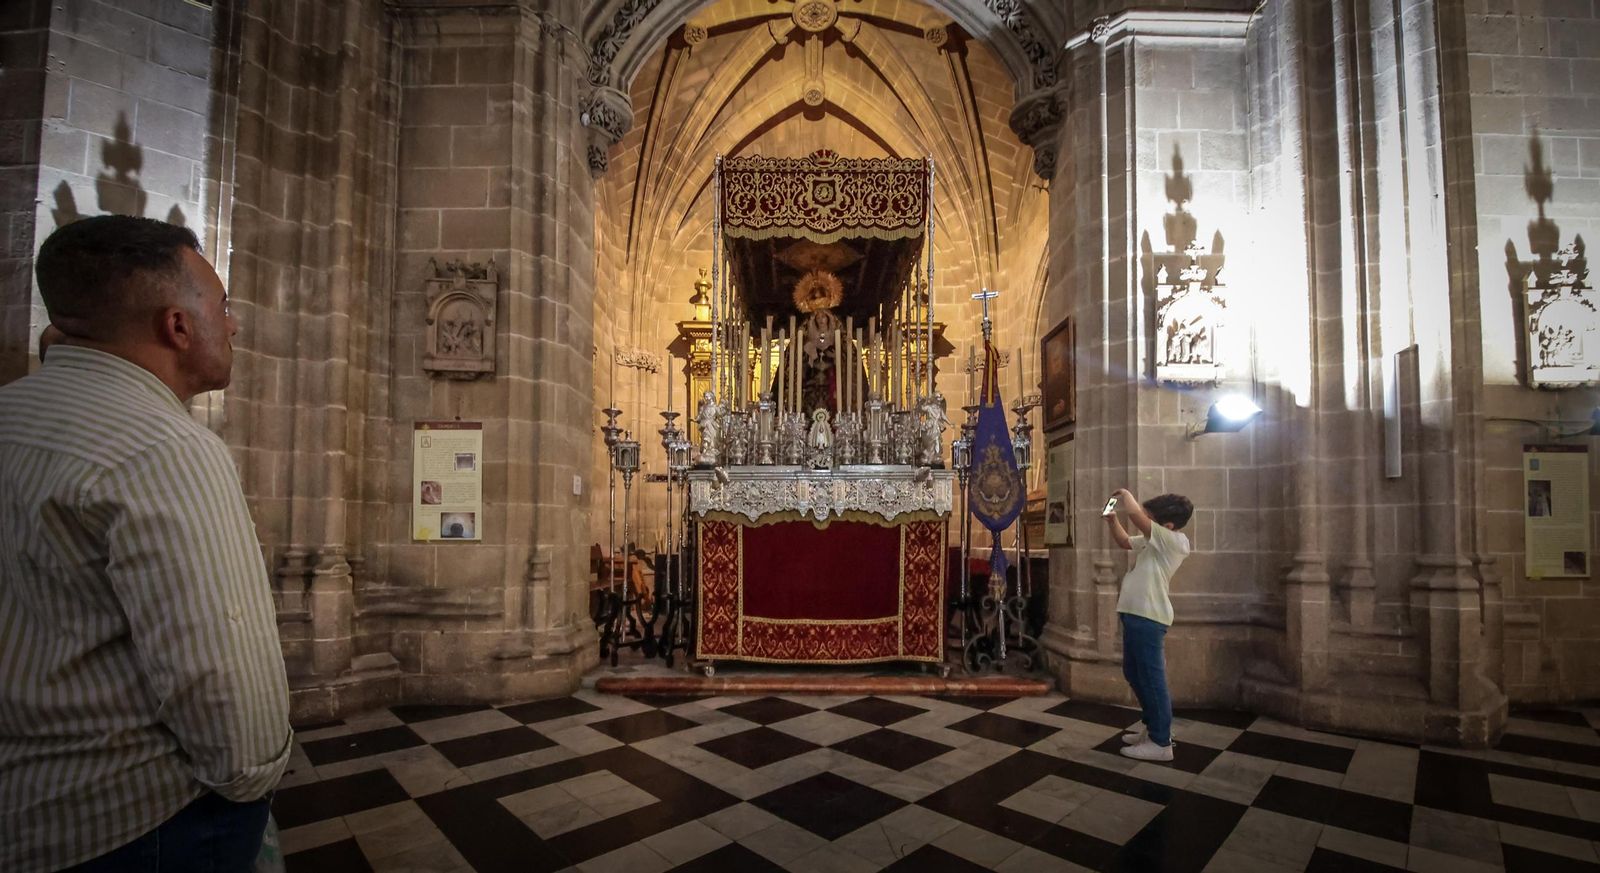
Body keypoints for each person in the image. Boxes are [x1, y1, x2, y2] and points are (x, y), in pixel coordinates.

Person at [0, 215, 292, 872]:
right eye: (221, 305)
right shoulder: (165, 449)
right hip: (141, 820)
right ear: (177, 325)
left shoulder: (10, 414)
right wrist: (253, 784)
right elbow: (224, 683)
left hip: (26, 810)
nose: (235, 324)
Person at [1103, 488, 1193, 763]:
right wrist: (1110, 518)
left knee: (1153, 680)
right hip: (1135, 614)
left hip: (1149, 617)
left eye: (1151, 519)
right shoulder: (1151, 541)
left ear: (1167, 525)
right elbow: (1123, 542)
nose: (1146, 523)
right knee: (1134, 673)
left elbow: (1136, 515)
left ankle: (1160, 741)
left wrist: (1125, 496)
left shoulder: (1174, 541)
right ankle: (1152, 725)